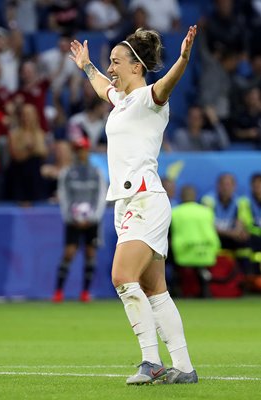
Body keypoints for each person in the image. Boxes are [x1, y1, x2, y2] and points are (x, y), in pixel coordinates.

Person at [69, 25, 198, 385]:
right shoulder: (123, 102)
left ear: (136, 67)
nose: (110, 68)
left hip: (144, 199)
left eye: (115, 61)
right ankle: (184, 367)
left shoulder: (149, 100)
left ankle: (150, 361)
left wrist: (183, 59)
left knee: (122, 277)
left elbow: (166, 84)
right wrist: (87, 66)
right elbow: (102, 89)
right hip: (126, 203)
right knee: (156, 290)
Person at [52, 136, 107, 302]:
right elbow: (63, 195)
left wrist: (94, 217)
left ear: (88, 151)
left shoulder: (96, 173)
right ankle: (58, 291)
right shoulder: (67, 172)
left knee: (90, 253)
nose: (81, 153)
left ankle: (85, 292)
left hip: (91, 220)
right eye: (78, 150)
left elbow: (101, 195)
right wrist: (70, 217)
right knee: (69, 253)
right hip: (73, 220)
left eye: (83, 149)